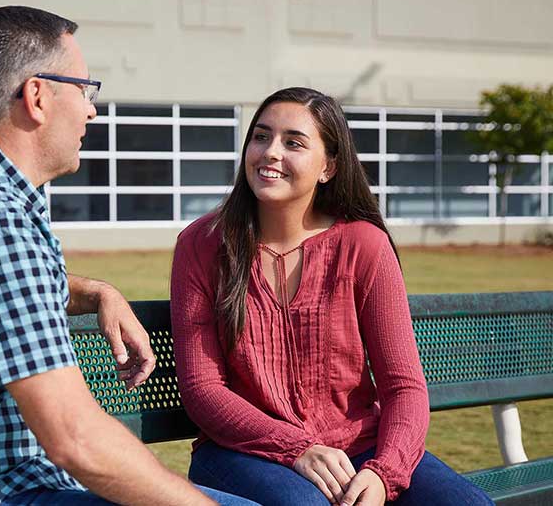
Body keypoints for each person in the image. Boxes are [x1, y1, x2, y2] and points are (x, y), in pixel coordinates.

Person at [0, 5, 257, 506]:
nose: (92, 110)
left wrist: (93, 291)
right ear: (37, 96)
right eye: (85, 90)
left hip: (2, 483)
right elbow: (75, 440)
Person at [170, 87, 495, 506]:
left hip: (358, 446)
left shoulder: (363, 245)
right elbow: (203, 390)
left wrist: (384, 473)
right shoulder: (203, 244)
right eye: (261, 136)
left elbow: (403, 387)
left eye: (293, 143)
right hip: (241, 451)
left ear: (329, 166)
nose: (270, 152)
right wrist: (295, 448)